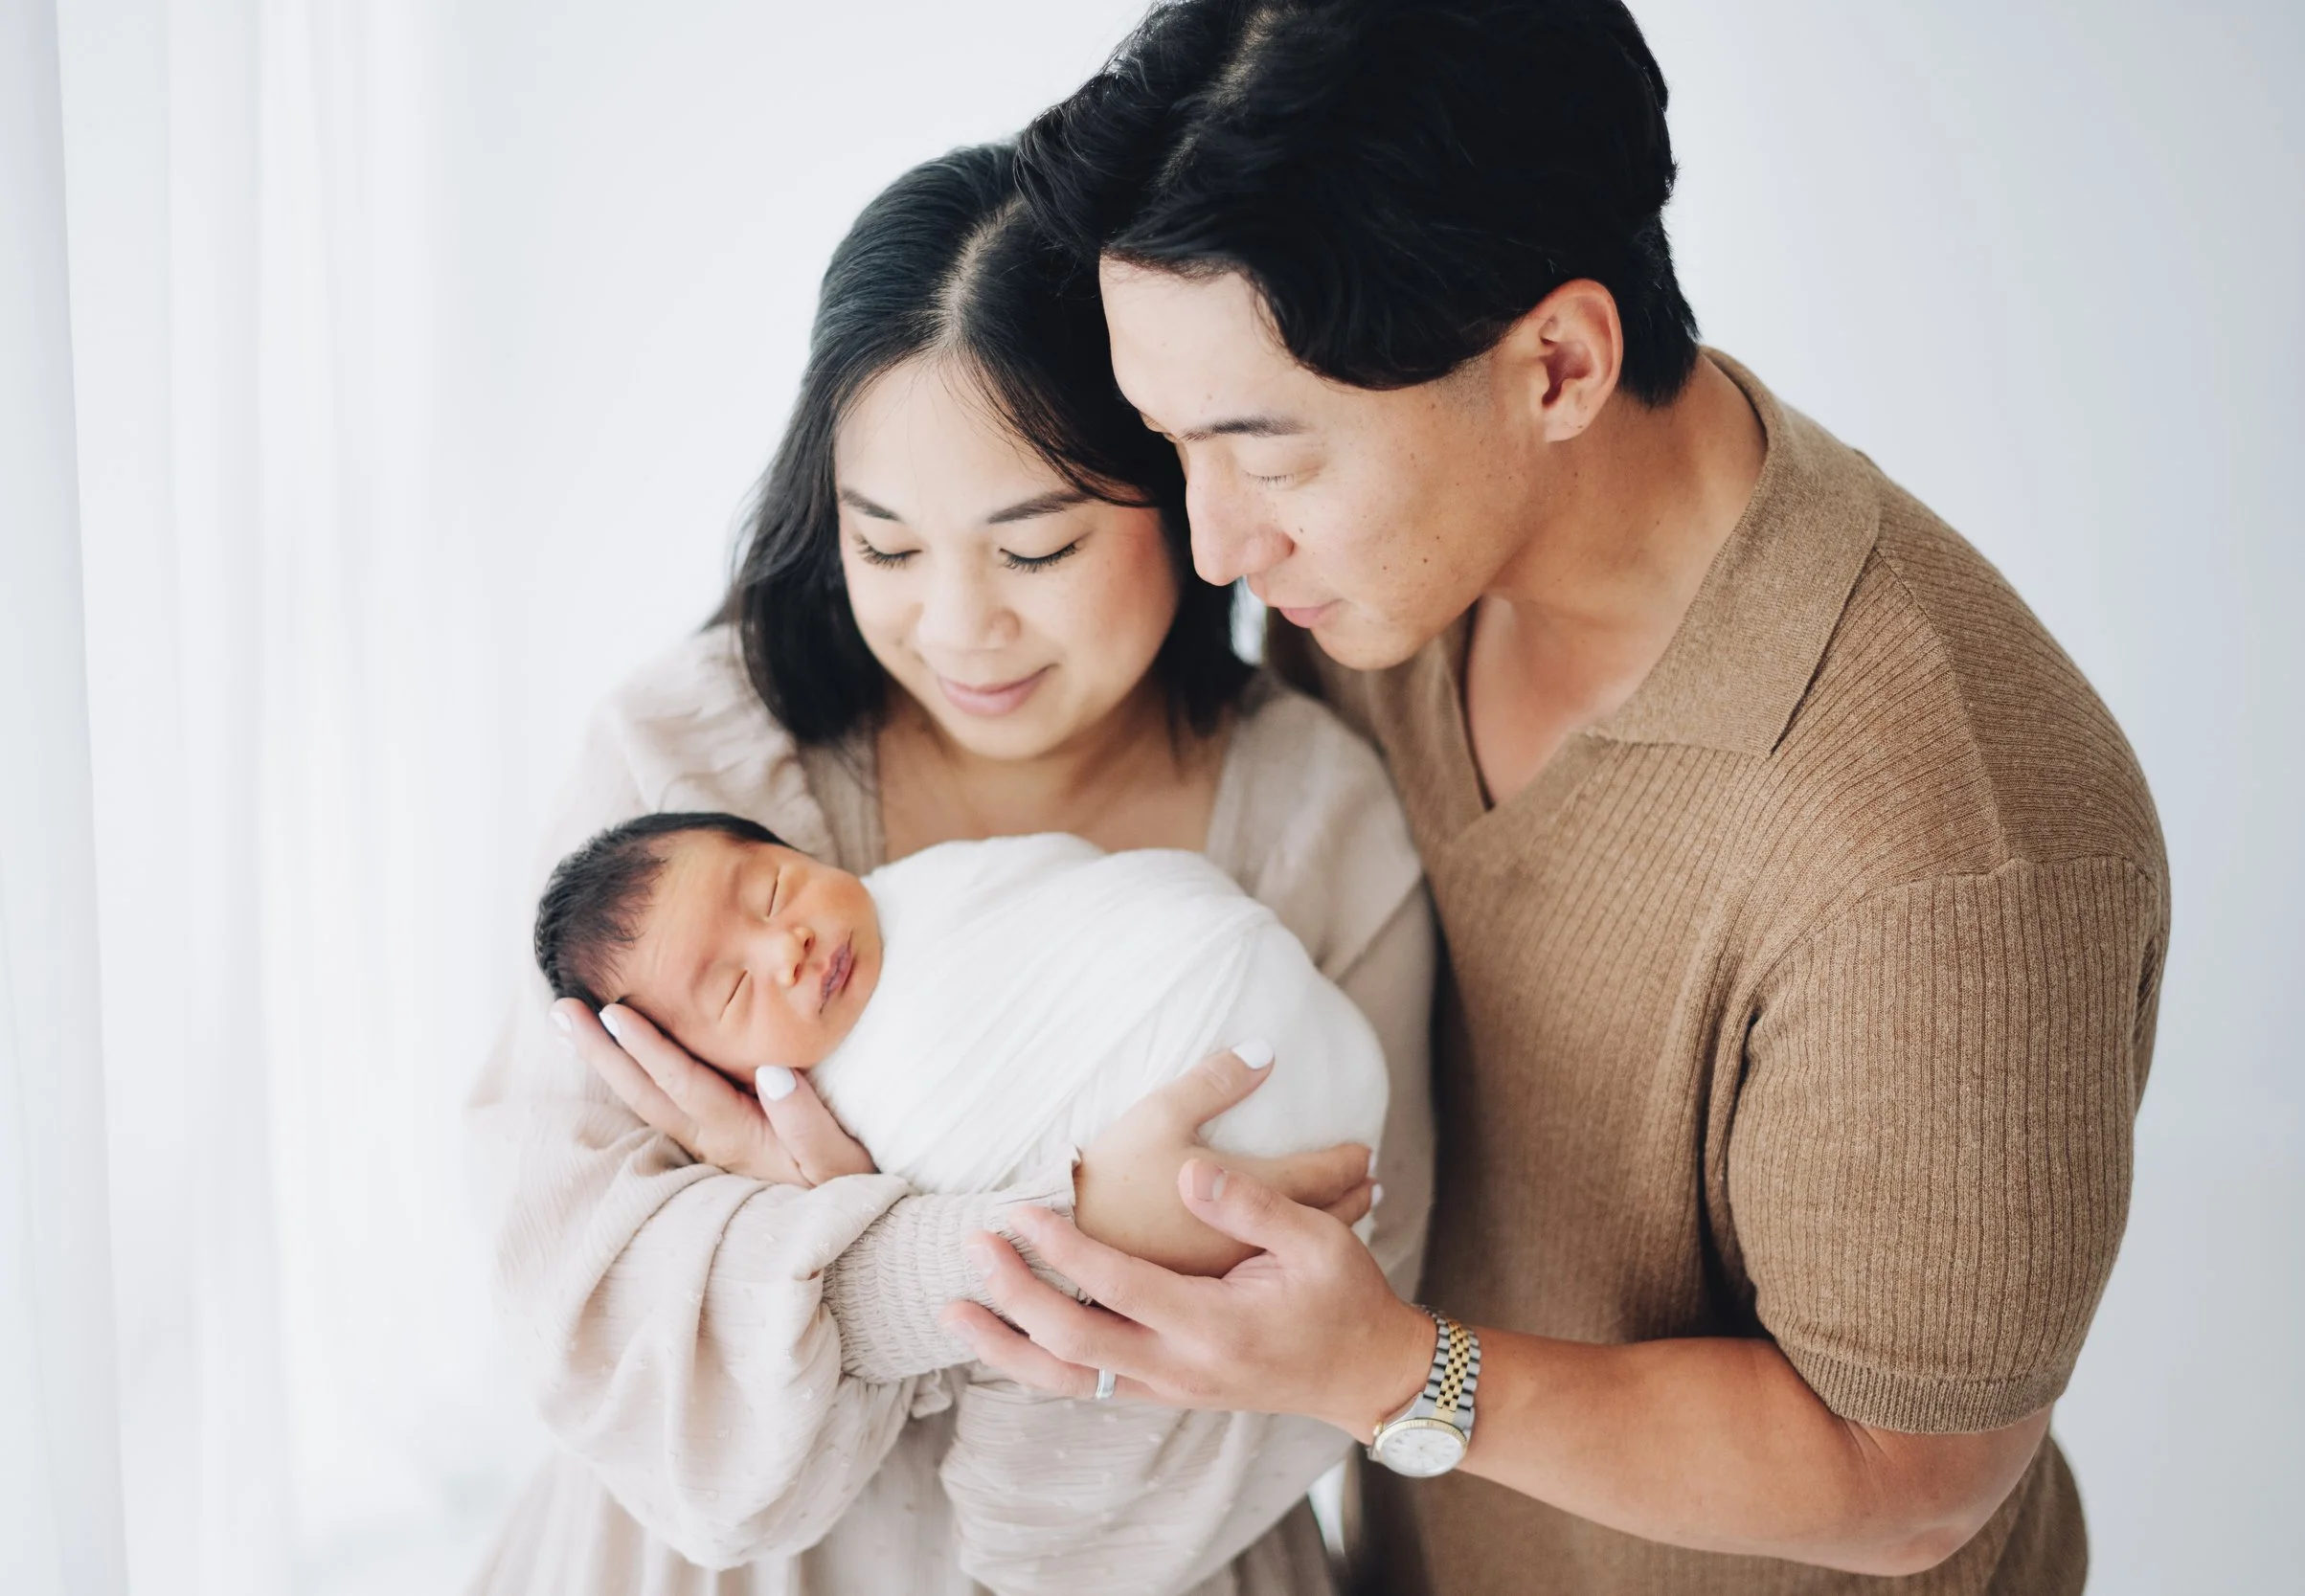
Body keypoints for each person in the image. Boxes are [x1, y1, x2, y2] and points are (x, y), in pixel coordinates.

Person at [942, 4, 2171, 1594]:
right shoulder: (1375, 594)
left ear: (1558, 365)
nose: (1219, 545)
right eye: (1178, 444)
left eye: (1273, 456)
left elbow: (1909, 1481)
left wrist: (1385, 1370)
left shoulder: (1956, 835)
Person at [463, 141, 1436, 1596]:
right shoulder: (685, 773)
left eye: (1033, 548)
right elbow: (577, 1284)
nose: (959, 624)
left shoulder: (1313, 820)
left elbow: (1309, 1350)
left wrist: (809, 1232)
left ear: (1178, 494)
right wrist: (1009, 1258)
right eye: (887, 544)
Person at [529, 811, 1387, 1277]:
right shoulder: (837, 1122)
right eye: (733, 989)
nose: (784, 946)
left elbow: (1071, 874)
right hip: (1218, 1179)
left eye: (774, 888)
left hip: (1253, 991)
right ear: (715, 1078)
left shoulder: (938, 883)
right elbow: (953, 1214)